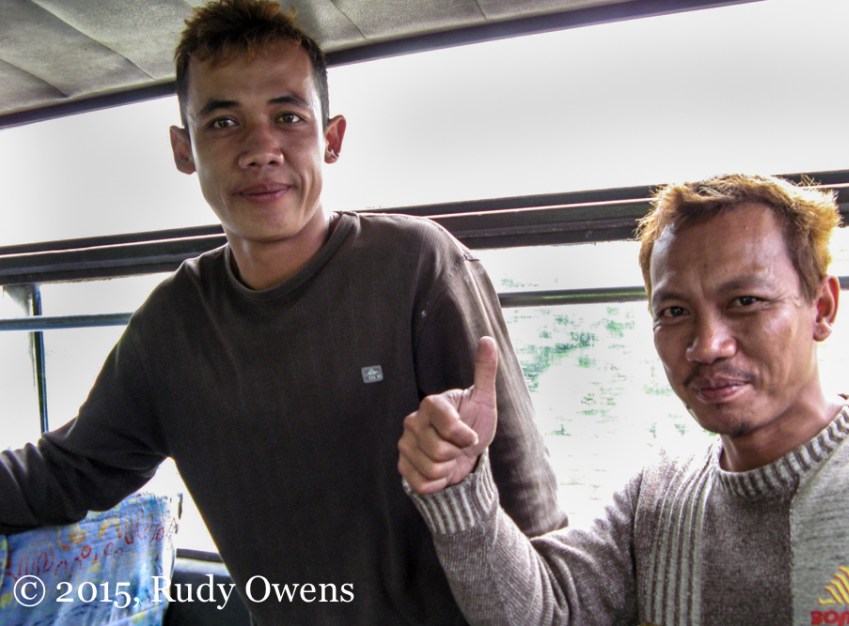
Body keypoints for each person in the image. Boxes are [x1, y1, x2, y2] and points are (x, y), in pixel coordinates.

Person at [0, 0, 566, 623]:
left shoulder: (417, 268)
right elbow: (69, 471)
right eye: (222, 123)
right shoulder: (172, 328)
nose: (260, 148)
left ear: (331, 139)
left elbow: (533, 515)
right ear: (183, 148)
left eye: (288, 116)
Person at [399, 173, 849, 625]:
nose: (707, 346)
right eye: (675, 313)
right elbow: (545, 611)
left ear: (821, 307)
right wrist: (457, 484)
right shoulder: (656, 502)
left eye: (746, 301)